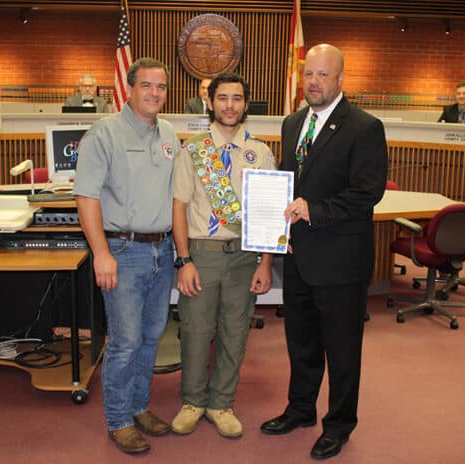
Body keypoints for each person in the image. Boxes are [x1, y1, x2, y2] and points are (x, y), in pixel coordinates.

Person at [259, 44, 388, 460]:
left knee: (343, 349)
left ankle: (339, 424)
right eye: (308, 75)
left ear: (340, 79)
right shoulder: (293, 122)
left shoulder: (365, 127)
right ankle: (300, 410)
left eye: (322, 75)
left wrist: (316, 210)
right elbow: (288, 178)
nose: (313, 82)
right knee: (301, 341)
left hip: (341, 259)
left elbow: (367, 193)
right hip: (297, 254)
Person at [73, 58, 179, 455]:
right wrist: (100, 253)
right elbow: (86, 196)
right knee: (126, 341)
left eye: (161, 86)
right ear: (130, 89)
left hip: (162, 250)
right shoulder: (104, 133)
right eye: (147, 85)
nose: (154, 93)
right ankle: (118, 418)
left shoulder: (169, 133)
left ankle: (139, 406)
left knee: (152, 337)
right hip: (122, 250)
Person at [171, 72, 275, 438]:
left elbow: (267, 212)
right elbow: (179, 208)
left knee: (235, 332)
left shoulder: (259, 152)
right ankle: (192, 401)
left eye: (237, 98)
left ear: (246, 104)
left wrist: (265, 262)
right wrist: (183, 260)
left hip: (244, 257)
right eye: (223, 98)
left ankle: (221, 403)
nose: (230, 105)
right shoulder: (193, 149)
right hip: (202, 253)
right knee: (196, 330)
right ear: (211, 102)